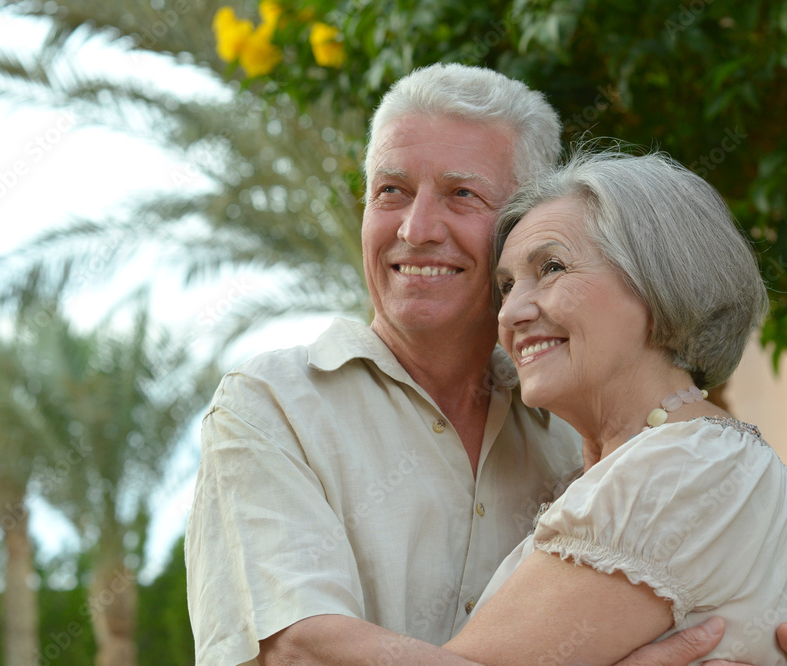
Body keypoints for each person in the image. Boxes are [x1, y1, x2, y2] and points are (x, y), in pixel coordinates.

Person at [185, 62, 787, 665]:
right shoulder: (273, 404)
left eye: (462, 194)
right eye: (390, 191)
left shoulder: (601, 439)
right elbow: (294, 653)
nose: (416, 230)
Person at [440, 149, 787, 664]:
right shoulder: (693, 456)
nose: (510, 312)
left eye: (551, 267)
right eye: (507, 285)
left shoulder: (678, 471)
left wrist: (314, 638)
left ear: (658, 278)